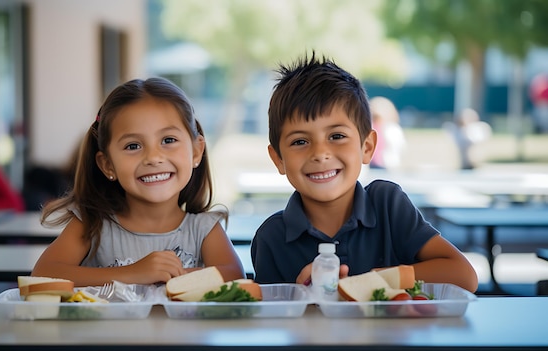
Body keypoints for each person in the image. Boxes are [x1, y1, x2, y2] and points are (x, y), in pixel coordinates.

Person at [250, 52, 478, 293]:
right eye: (299, 141)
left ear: (367, 147)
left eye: (336, 136)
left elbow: (464, 276)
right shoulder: (271, 238)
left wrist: (377, 281)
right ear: (278, 159)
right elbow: (274, 319)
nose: (320, 153)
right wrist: (300, 294)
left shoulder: (387, 204)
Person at [31, 77, 245, 287]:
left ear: (197, 151)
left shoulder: (204, 229)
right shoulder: (91, 225)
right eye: (133, 146)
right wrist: (133, 273)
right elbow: (42, 275)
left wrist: (172, 275)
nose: (153, 157)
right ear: (107, 165)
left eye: (168, 140)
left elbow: (234, 276)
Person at [368, 96, 405, 170]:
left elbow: (398, 148)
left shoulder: (392, 130)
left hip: (387, 166)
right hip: (370, 166)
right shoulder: (367, 128)